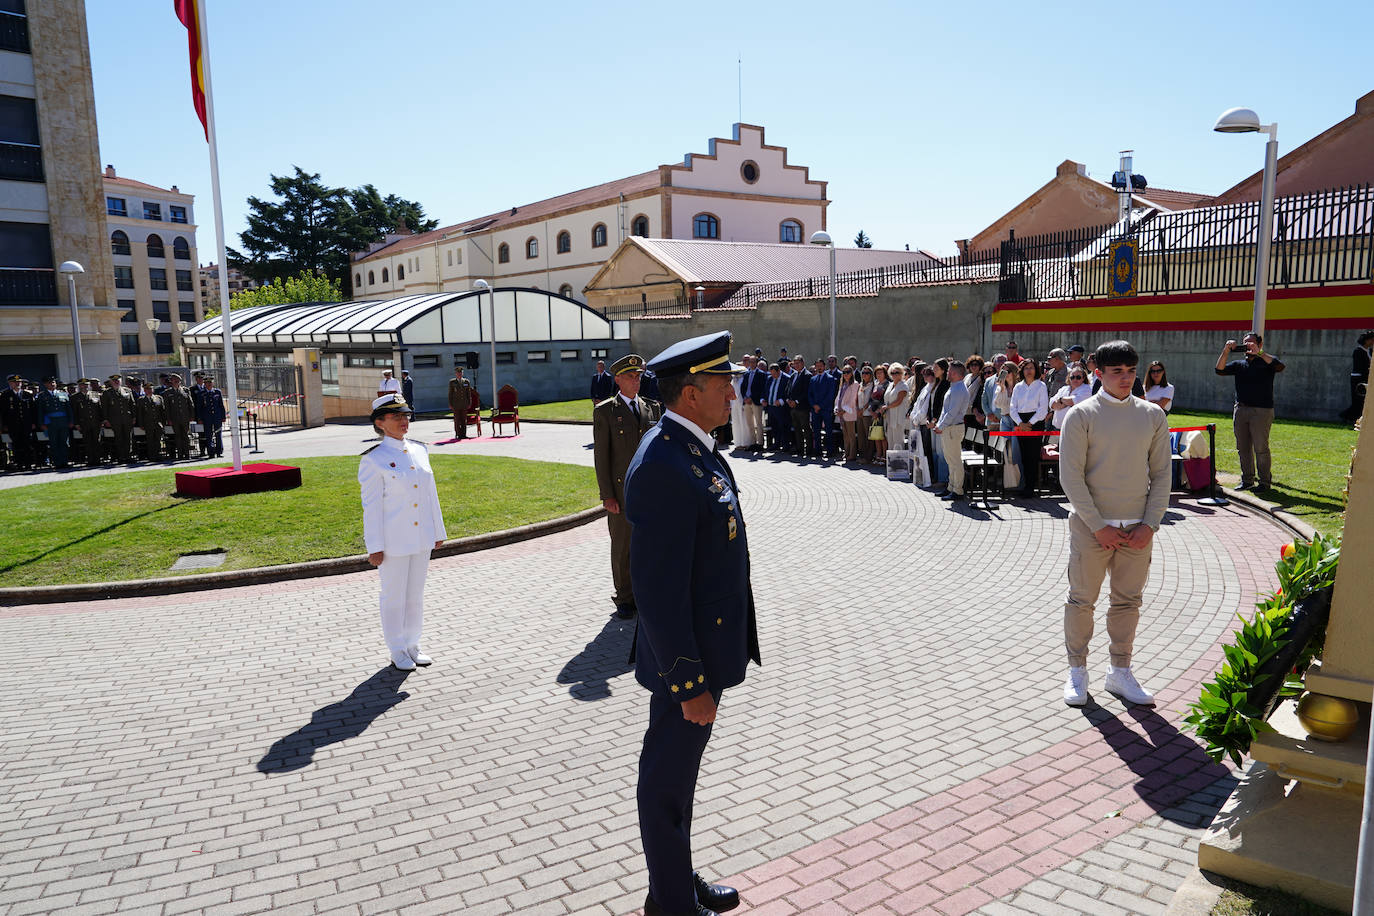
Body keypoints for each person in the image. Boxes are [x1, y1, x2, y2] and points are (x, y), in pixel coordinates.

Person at [623, 330, 757, 916]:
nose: (733, 392)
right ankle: (671, 904)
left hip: (705, 650)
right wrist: (688, 682)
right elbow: (656, 592)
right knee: (665, 783)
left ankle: (673, 882)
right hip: (689, 662)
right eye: (723, 383)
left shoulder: (692, 447)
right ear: (690, 393)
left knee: (679, 779)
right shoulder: (663, 462)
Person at [1060, 340, 1171, 708]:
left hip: (1137, 529)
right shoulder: (1081, 415)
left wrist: (1150, 524)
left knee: (1128, 602)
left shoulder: (1153, 415)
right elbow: (1071, 478)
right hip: (1092, 529)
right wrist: (1097, 525)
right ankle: (1077, 670)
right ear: (1098, 374)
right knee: (1081, 601)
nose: (1125, 378)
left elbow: (1162, 475)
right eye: (1116, 372)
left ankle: (1119, 672)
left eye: (1130, 371)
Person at [359, 392, 447, 671]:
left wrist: (438, 530)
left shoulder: (420, 450)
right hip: (393, 541)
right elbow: (371, 508)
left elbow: (431, 494)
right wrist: (374, 545)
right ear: (380, 422)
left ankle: (413, 644)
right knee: (394, 596)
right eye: (396, 416)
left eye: (405, 415)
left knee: (415, 595)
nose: (403, 421)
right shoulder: (374, 459)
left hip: (421, 539)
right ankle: (397, 649)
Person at [593, 354, 655, 620]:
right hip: (622, 492)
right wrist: (607, 495)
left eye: (638, 376)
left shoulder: (652, 408)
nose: (636, 380)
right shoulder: (606, 411)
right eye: (630, 376)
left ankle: (645, 593)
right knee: (623, 547)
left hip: (650, 492)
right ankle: (625, 597)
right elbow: (601, 458)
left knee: (649, 545)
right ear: (617, 379)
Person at [1215, 332, 1285, 492]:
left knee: (1261, 448)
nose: (1248, 346)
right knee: (1243, 447)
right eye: (1245, 343)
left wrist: (1259, 352)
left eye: (1251, 343)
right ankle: (1247, 480)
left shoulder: (1266, 362)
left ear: (1260, 345)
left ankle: (1264, 483)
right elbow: (1219, 370)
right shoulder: (1239, 364)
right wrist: (1226, 351)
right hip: (1240, 409)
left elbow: (1280, 366)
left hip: (1261, 411)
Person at [1008, 358, 1049, 496]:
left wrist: (1030, 423)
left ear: (1035, 369)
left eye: (1031, 368)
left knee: (1032, 455)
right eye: (1026, 368)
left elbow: (1043, 409)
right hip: (1020, 421)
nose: (1029, 370)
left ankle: (1031, 487)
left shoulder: (1041, 386)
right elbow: (1012, 407)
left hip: (1035, 422)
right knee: (1023, 455)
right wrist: (1020, 423)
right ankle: (1025, 485)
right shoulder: (1018, 387)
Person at [933, 361, 970, 500]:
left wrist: (941, 426)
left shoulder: (959, 389)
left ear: (954, 373)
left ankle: (958, 490)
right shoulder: (954, 387)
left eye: (949, 371)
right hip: (949, 428)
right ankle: (951, 487)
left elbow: (952, 412)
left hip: (953, 428)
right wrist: (941, 425)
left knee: (955, 460)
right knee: (950, 460)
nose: (947, 373)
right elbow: (946, 411)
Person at [99, 374, 136, 464]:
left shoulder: (127, 390)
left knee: (128, 438)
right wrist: (106, 420)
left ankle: (128, 456)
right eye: (114, 380)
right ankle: (121, 457)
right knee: (118, 438)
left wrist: (134, 417)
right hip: (115, 420)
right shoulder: (107, 393)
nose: (116, 382)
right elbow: (104, 408)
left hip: (127, 419)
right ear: (111, 382)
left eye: (118, 380)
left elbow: (132, 404)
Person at [1, 374, 36, 470]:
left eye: (19, 382)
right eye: (15, 382)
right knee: (16, 445)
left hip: (26, 424)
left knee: (27, 445)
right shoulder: (5, 395)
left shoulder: (27, 394)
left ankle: (28, 464)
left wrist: (33, 422)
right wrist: (4, 425)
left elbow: (33, 410)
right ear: (10, 383)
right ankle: (20, 464)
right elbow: (3, 412)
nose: (17, 384)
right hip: (13, 425)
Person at [36, 377, 72, 468]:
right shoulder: (42, 396)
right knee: (54, 443)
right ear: (45, 385)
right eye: (49, 383)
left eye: (53, 382)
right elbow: (40, 411)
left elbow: (69, 409)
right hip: (51, 423)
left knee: (64, 442)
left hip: (63, 422)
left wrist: (71, 421)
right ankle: (57, 463)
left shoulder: (63, 394)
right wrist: (41, 424)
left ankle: (65, 462)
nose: (52, 384)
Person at [879, 362, 910, 467]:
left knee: (898, 441)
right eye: (892, 372)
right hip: (889, 417)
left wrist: (886, 407)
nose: (894, 374)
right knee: (890, 440)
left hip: (898, 417)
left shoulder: (903, 385)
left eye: (897, 372)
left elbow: (899, 401)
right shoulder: (891, 385)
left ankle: (900, 465)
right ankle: (892, 464)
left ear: (901, 373)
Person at [1340, 330, 1373, 424]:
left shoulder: (1370, 351)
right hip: (1358, 379)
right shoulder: (1358, 351)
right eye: (1371, 340)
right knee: (1357, 401)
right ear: (1366, 340)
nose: (1372, 342)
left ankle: (1353, 418)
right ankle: (1346, 416)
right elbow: (1360, 367)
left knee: (1363, 401)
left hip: (1366, 378)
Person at [129, 377, 165, 462]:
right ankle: (152, 456)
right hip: (148, 423)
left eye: (150, 389)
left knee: (158, 440)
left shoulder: (158, 398)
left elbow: (162, 411)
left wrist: (163, 422)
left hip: (158, 423)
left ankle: (158, 455)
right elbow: (140, 414)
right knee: (150, 441)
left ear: (153, 389)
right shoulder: (141, 400)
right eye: (147, 389)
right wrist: (141, 424)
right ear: (144, 390)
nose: (149, 390)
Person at [192, 373, 227, 458]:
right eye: (207, 383)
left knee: (218, 434)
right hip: (207, 418)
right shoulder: (201, 393)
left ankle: (219, 451)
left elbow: (221, 405)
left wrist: (223, 416)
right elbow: (199, 408)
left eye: (210, 382)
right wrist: (200, 418)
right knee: (209, 435)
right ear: (205, 384)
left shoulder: (217, 392)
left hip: (217, 417)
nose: (209, 384)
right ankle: (211, 452)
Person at [808, 358, 837, 459]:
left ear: (824, 367)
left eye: (821, 365)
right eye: (817, 366)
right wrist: (814, 405)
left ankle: (829, 451)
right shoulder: (813, 379)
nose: (819, 367)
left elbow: (830, 395)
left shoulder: (830, 378)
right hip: (815, 410)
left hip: (826, 409)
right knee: (816, 431)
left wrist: (820, 406)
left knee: (828, 431)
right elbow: (809, 394)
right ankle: (818, 450)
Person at [71, 378, 104, 465]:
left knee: (97, 441)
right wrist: (77, 424)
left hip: (95, 422)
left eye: (86, 385)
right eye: (82, 385)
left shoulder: (96, 394)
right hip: (84, 423)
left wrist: (102, 421)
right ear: (79, 386)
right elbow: (74, 412)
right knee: (88, 442)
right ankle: (90, 460)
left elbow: (100, 409)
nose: (84, 386)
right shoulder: (75, 397)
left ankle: (97, 460)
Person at [162, 373, 195, 460]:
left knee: (185, 436)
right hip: (174, 418)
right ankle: (180, 454)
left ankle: (187, 454)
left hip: (185, 417)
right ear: (171, 382)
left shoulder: (186, 390)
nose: (176, 382)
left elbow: (190, 404)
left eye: (177, 381)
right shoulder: (168, 392)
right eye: (174, 380)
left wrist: (192, 416)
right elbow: (167, 408)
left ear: (180, 381)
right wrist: (168, 419)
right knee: (178, 436)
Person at [785, 356, 812, 458]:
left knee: (806, 429)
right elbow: (788, 389)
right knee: (797, 429)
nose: (796, 365)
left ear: (803, 363)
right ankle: (800, 449)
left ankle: (809, 450)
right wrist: (788, 400)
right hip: (793, 408)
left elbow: (806, 392)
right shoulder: (793, 375)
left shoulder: (807, 375)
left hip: (802, 407)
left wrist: (796, 401)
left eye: (798, 363)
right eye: (795, 363)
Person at [740, 355, 768, 452]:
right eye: (750, 362)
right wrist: (745, 398)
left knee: (759, 423)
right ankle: (752, 443)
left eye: (753, 362)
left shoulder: (761, 374)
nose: (751, 363)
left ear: (756, 363)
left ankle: (760, 443)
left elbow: (762, 389)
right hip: (747, 402)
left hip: (755, 402)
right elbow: (742, 387)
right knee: (750, 423)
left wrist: (752, 398)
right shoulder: (746, 374)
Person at [833, 365, 861, 463]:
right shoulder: (843, 384)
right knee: (845, 435)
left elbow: (853, 400)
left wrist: (844, 410)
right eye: (844, 372)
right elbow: (838, 398)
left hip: (849, 413)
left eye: (848, 372)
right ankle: (846, 452)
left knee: (851, 435)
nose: (845, 374)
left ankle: (852, 455)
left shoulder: (855, 384)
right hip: (841, 414)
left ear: (852, 373)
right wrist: (836, 408)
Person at [865, 364, 889, 464]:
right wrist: (871, 411)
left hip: (882, 413)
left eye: (881, 372)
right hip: (873, 413)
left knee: (883, 436)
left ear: (885, 373)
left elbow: (885, 400)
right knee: (876, 436)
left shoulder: (888, 384)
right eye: (877, 373)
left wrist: (878, 412)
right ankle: (878, 455)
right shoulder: (876, 384)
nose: (879, 375)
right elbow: (871, 399)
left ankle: (884, 456)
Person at [448, 367, 474, 439]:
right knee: (457, 420)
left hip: (464, 403)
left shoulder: (466, 381)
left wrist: (469, 403)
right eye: (458, 373)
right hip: (455, 404)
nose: (459, 374)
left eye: (461, 373)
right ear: (456, 374)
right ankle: (458, 434)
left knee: (463, 420)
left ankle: (463, 434)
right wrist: (450, 404)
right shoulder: (452, 382)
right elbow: (450, 394)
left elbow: (468, 394)